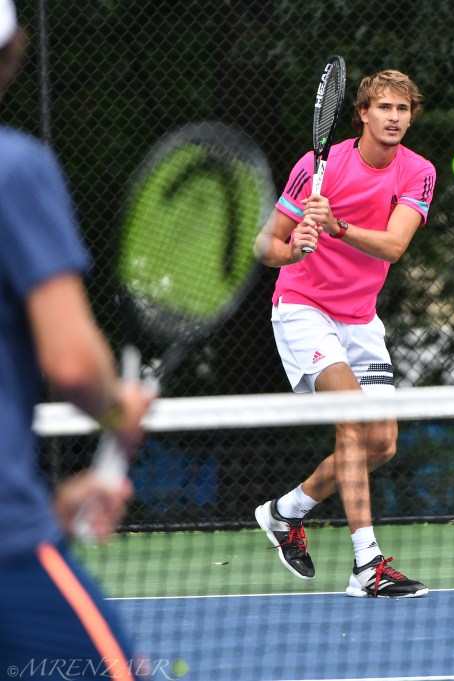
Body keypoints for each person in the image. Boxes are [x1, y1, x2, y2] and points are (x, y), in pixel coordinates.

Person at [0, 0, 155, 675]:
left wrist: (51, 503)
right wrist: (118, 411)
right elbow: (68, 360)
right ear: (11, 55)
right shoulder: (16, 170)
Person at [253, 69, 435, 598]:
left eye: (403, 110)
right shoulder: (318, 166)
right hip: (302, 308)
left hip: (359, 317)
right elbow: (266, 245)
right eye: (384, 108)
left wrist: (337, 228)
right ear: (362, 113)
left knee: (381, 443)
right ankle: (367, 566)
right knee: (354, 423)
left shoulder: (417, 171)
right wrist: (296, 248)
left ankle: (286, 512)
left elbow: (394, 246)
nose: (394, 118)